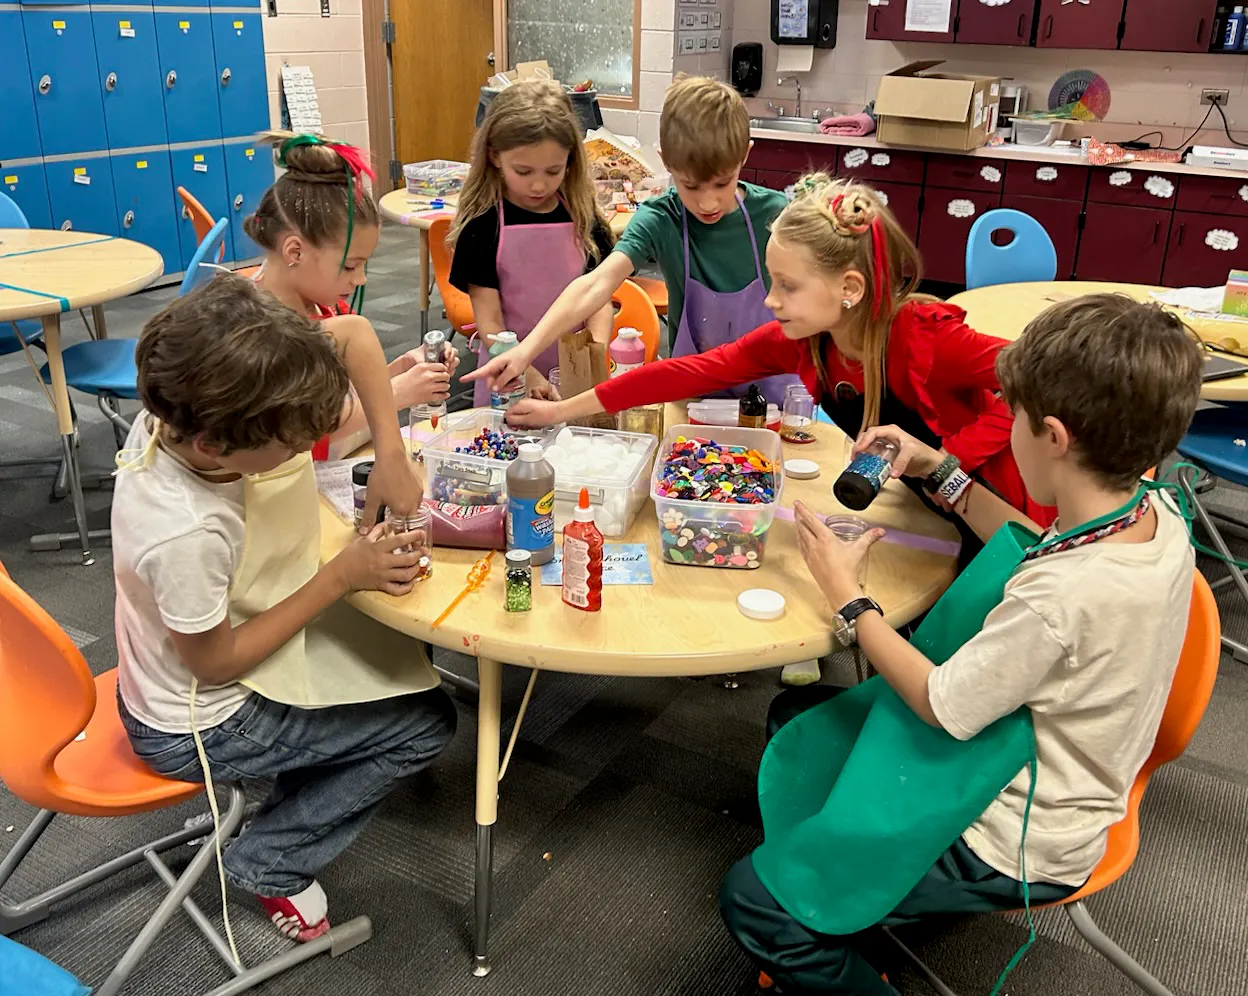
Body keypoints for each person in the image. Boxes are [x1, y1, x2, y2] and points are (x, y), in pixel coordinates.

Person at [718, 294, 1204, 995]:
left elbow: (943, 704)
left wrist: (849, 597)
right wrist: (938, 472)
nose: (1006, 432)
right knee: (799, 722)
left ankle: (835, 928)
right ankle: (850, 899)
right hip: (1033, 751)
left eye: (1015, 418)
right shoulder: (1151, 509)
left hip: (1019, 833)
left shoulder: (1066, 598)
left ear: (1055, 438)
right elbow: (1035, 544)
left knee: (757, 905)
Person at [113, 276, 456, 943]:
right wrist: (340, 577)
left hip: (175, 669)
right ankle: (271, 858)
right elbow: (214, 665)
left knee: (373, 658)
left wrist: (390, 450)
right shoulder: (183, 529)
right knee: (424, 722)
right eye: (293, 446)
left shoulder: (192, 398)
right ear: (216, 446)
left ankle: (287, 792)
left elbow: (353, 335)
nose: (309, 445)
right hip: (197, 720)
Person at [466, 74, 797, 405]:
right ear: (664, 159)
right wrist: (525, 352)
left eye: (722, 183)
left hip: (774, 394)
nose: (708, 203)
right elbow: (595, 286)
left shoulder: (776, 215)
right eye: (691, 186)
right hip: (696, 394)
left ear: (745, 155)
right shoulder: (660, 218)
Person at [246, 131, 458, 447]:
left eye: (364, 265)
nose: (361, 280)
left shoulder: (325, 307)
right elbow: (300, 434)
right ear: (295, 252)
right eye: (349, 266)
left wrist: (402, 369)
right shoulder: (255, 334)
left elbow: (340, 397)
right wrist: (399, 392)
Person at [447, 81, 616, 406]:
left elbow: (598, 300)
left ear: (570, 160)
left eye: (553, 170)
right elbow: (491, 323)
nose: (539, 184)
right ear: (495, 156)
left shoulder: (583, 217)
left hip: (574, 376)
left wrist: (591, 359)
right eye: (523, 171)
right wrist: (526, 372)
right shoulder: (482, 226)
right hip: (508, 376)